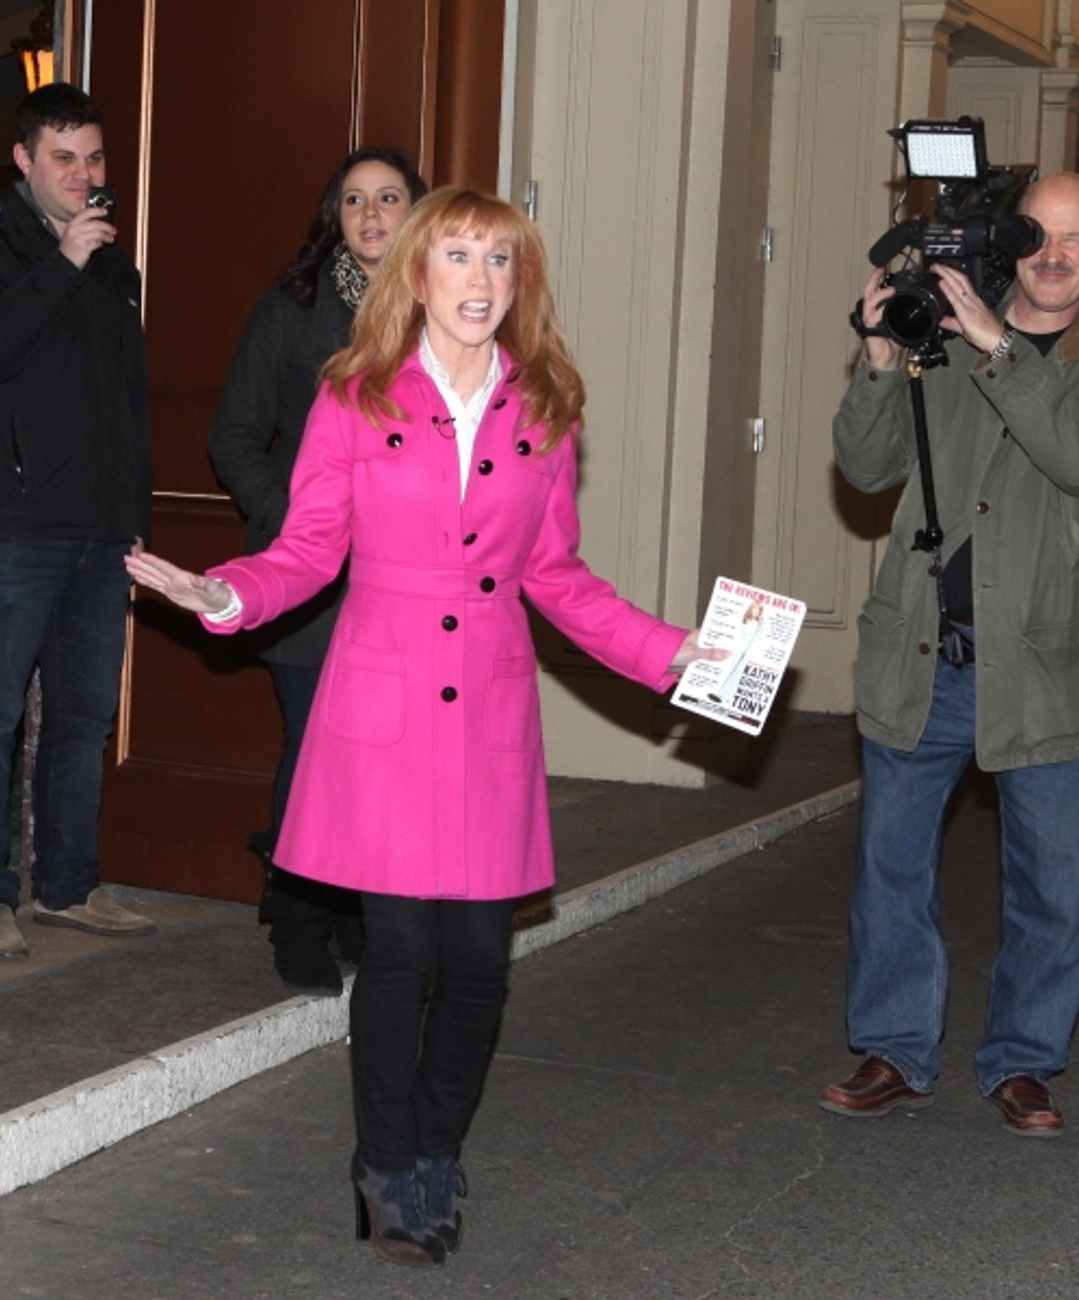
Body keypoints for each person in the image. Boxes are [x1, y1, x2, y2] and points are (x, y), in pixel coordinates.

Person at [126, 187, 721, 1266]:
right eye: (459, 256)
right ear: (417, 272)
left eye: (501, 261)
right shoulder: (353, 397)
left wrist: (669, 651)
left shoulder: (545, 405)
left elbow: (559, 578)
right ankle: (385, 1162)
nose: (482, 281)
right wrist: (223, 597)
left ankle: (439, 1147)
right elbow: (307, 550)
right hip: (381, 711)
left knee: (481, 960)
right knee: (400, 950)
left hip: (488, 711)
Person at [822, 171, 1079, 1137]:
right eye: (1039, 234)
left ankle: (1022, 1059)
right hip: (924, 653)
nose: (1054, 256)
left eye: (1076, 240)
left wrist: (1000, 348)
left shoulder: (1001, 345)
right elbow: (868, 467)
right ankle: (894, 1045)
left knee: (1054, 886)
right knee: (889, 868)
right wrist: (885, 358)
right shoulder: (942, 330)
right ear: (1011, 242)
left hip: (1047, 664)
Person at [0, 82, 154, 959]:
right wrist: (61, 260)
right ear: (24, 160)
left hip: (101, 531)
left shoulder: (110, 262)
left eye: (95, 158)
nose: (85, 174)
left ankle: (68, 886)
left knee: (82, 716)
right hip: (14, 525)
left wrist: (132, 515)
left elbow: (124, 400)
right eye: (64, 158)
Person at [208, 148, 427, 994]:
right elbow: (232, 435)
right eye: (353, 201)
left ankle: (357, 913)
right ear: (333, 216)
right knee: (315, 751)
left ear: (417, 212)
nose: (370, 214)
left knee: (384, 756)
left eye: (388, 198)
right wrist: (300, 518)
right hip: (311, 585)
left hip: (407, 582)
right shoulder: (293, 309)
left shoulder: (445, 311)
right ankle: (296, 915)